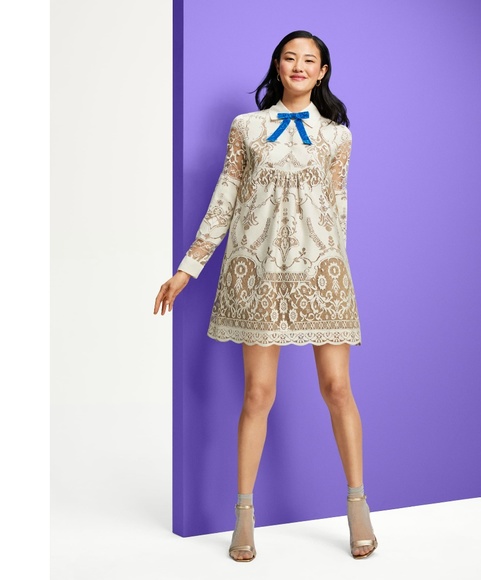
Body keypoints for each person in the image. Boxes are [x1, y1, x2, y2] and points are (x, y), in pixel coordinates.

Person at [154, 30, 378, 562]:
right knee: (257, 394)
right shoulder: (247, 128)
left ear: (322, 72)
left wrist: (338, 273)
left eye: (309, 60)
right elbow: (225, 197)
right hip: (256, 273)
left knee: (337, 388)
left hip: (322, 273)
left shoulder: (338, 137)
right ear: (278, 65)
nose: (299, 66)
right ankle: (244, 514)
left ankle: (357, 505)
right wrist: (187, 269)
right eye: (290, 57)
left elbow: (339, 206)